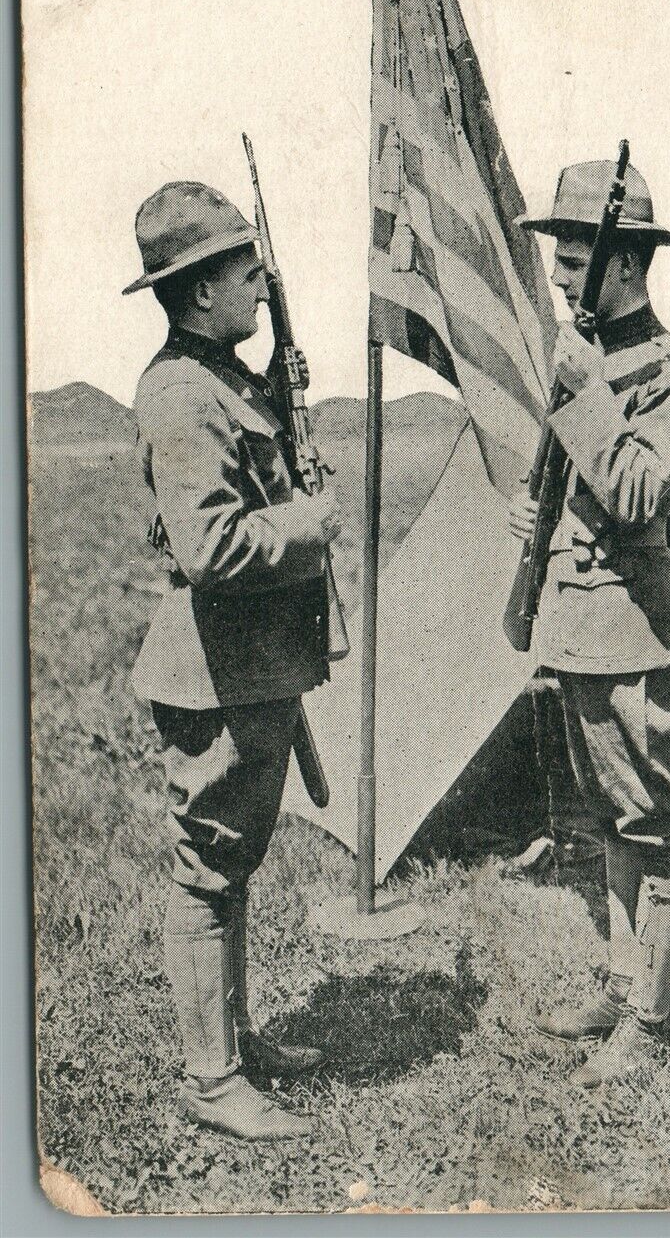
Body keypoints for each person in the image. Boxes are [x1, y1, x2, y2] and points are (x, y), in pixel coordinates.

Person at [123, 181, 342, 1139]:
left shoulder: (230, 379)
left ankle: (236, 1042)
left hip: (252, 665)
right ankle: (213, 1087)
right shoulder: (180, 393)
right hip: (214, 673)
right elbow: (211, 551)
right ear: (201, 290)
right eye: (246, 273)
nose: (261, 286)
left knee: (233, 866)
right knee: (208, 873)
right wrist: (310, 522)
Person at [510, 159, 670, 1087]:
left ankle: (650, 1019)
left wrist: (582, 392)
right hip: (581, 623)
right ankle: (622, 980)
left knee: (653, 818)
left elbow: (634, 496)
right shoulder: (586, 361)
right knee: (606, 817)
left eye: (574, 255)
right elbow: (569, 483)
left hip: (637, 627)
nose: (556, 274)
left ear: (624, 266)